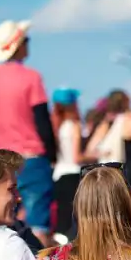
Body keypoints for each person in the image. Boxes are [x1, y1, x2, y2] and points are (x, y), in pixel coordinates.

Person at [0, 20, 57, 246]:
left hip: (1, 160)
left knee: (3, 222)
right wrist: (51, 155)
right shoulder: (31, 78)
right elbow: (42, 121)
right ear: (18, 45)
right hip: (32, 158)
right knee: (39, 222)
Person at [51, 88, 84, 241]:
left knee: (61, 218)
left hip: (58, 174)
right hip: (73, 174)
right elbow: (77, 157)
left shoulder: (55, 126)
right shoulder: (74, 125)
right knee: (74, 220)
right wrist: (99, 153)